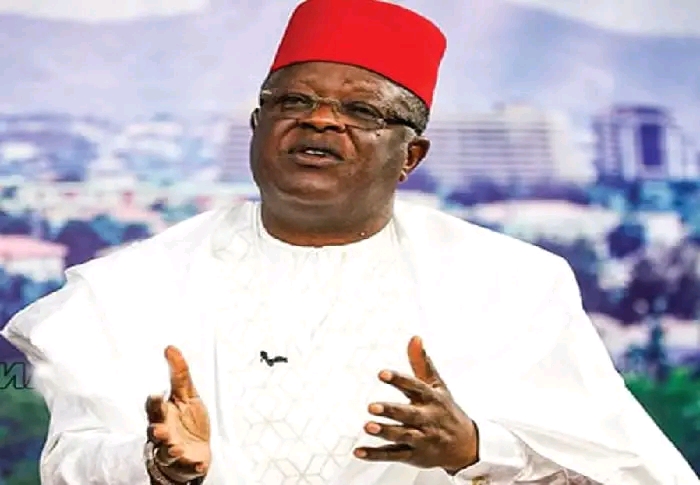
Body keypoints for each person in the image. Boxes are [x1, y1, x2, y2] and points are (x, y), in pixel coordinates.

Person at [1, 0, 698, 484]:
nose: (321, 121)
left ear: (411, 155)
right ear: (257, 126)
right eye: (294, 101)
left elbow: (626, 472)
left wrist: (475, 447)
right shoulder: (130, 289)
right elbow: (70, 464)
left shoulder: (510, 285)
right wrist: (154, 465)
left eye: (361, 110)